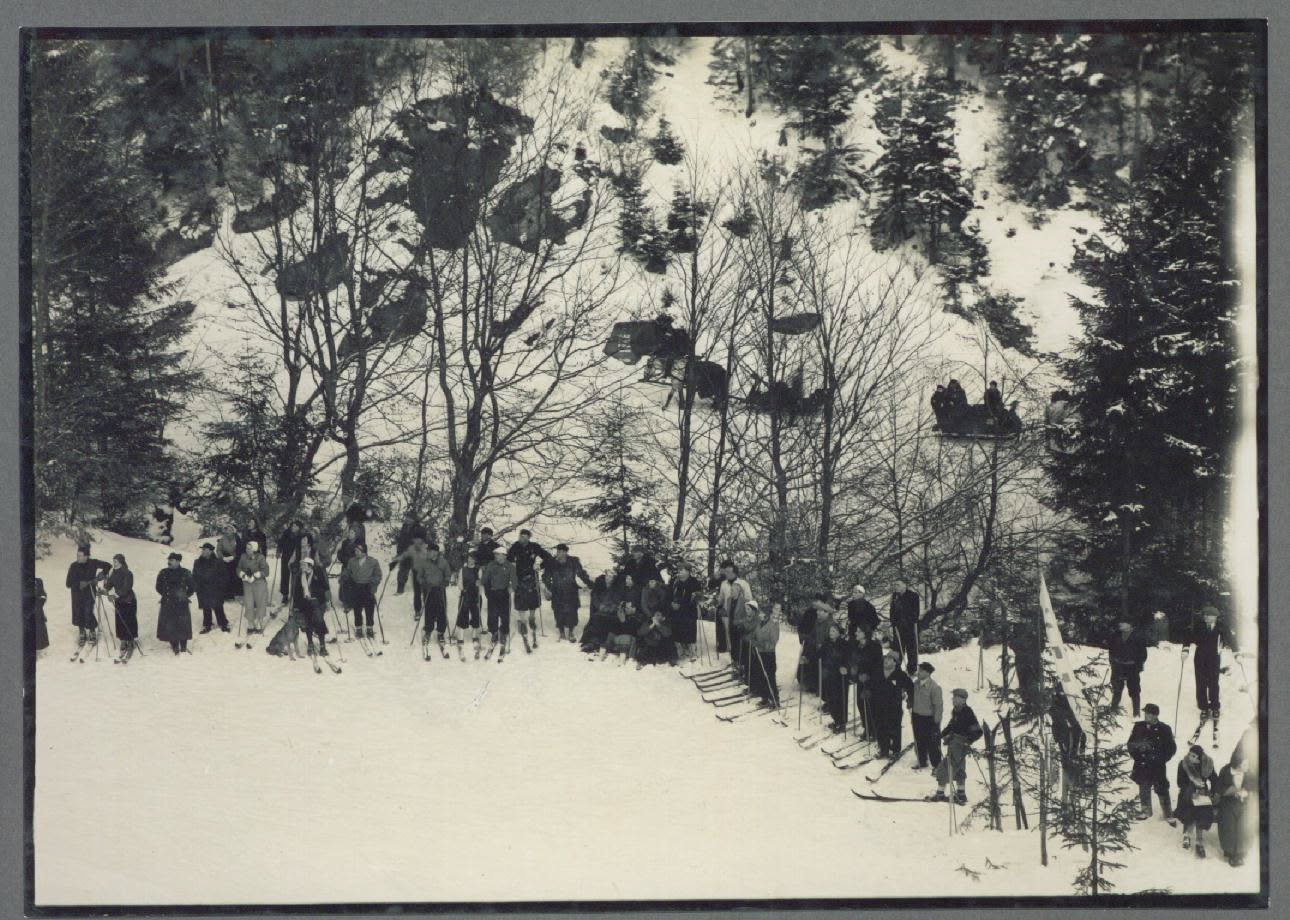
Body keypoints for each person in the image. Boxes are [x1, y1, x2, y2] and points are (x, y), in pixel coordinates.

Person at [391, 537, 452, 652]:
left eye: (431, 551)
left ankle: (440, 633)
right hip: (428, 590)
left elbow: (448, 574)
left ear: (436, 552)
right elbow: (419, 576)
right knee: (429, 611)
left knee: (441, 611)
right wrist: (423, 582)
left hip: (440, 589)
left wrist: (446, 581)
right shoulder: (424, 563)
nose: (429, 553)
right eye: (428, 551)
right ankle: (428, 631)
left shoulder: (443, 562)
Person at [930, 689, 982, 805]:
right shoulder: (957, 711)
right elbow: (951, 726)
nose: (953, 699)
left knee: (946, 766)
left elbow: (978, 731)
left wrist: (968, 741)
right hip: (955, 743)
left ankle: (940, 793)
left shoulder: (967, 713)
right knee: (959, 768)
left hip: (959, 744)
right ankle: (961, 793)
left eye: (955, 697)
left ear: (963, 700)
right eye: (953, 697)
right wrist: (941, 734)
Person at [1128, 703, 1178, 823]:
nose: (1146, 716)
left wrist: (1162, 758)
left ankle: (1168, 813)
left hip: (1157, 766)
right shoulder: (1138, 727)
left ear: (1156, 715)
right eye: (1146, 713)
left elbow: (1171, 748)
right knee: (1143, 787)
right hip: (1142, 764)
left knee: (1162, 788)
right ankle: (1145, 811)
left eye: (1149, 714)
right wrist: (1138, 757)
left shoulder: (1165, 729)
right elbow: (1131, 744)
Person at [508, 529, 553, 647]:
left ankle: (532, 618)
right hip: (519, 577)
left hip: (532, 575)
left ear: (529, 537)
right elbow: (508, 560)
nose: (522, 538)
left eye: (525, 537)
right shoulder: (515, 547)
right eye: (521, 536)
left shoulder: (534, 547)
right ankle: (523, 621)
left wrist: (539, 566)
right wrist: (512, 567)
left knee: (533, 599)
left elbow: (548, 557)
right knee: (520, 600)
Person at [541, 543, 594, 643]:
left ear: (565, 552)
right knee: (558, 611)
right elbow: (546, 577)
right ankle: (561, 632)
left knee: (572, 612)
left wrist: (591, 584)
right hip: (557, 591)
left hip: (571, 591)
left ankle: (571, 632)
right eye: (558, 551)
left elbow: (581, 573)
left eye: (561, 551)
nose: (558, 553)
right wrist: (549, 587)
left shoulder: (573, 561)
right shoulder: (551, 562)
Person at [1186, 606, 1227, 727]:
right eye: (1205, 615)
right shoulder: (1199, 626)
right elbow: (1188, 637)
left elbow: (1231, 639)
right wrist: (1185, 649)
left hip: (1214, 659)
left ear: (1215, 616)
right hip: (1200, 658)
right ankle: (1203, 707)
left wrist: (1237, 654)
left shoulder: (1221, 627)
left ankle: (1215, 707)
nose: (1206, 617)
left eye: (1209, 615)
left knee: (1213, 683)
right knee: (1201, 683)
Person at [1175, 744, 1219, 857]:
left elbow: (1214, 779)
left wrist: (1212, 793)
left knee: (1202, 813)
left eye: (1194, 756)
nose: (1191, 757)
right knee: (1188, 810)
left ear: (1199, 758)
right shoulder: (1184, 764)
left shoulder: (1207, 764)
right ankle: (1186, 835)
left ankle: (1199, 840)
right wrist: (1190, 791)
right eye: (1190, 754)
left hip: (1202, 793)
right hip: (1187, 792)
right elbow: (1180, 782)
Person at [869, 651, 914, 758]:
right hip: (878, 705)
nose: (886, 660)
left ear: (895, 662)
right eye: (885, 658)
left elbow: (911, 687)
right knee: (880, 727)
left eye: (890, 659)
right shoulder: (878, 672)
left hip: (894, 706)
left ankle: (895, 750)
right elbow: (871, 685)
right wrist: (867, 692)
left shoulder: (900, 675)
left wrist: (910, 699)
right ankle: (883, 749)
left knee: (894, 728)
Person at [1216, 747, 1257, 867]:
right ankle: (1230, 851)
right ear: (1238, 764)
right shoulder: (1225, 771)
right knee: (1229, 825)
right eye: (1245, 764)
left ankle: (1241, 852)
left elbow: (1254, 784)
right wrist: (1233, 791)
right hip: (1228, 803)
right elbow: (1219, 788)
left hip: (1245, 802)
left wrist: (1246, 791)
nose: (1247, 766)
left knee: (1244, 825)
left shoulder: (1249, 772)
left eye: (1247, 764)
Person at [65, 545, 110, 649]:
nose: (78, 557)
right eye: (77, 555)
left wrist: (100, 575)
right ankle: (82, 632)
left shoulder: (93, 563)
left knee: (88, 611)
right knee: (78, 612)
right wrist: (79, 583)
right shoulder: (73, 566)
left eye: (80, 556)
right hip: (77, 593)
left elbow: (108, 565)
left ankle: (92, 630)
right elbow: (68, 583)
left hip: (89, 592)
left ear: (86, 556)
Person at [156, 552, 196, 655]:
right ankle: (174, 645)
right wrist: (166, 595)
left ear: (178, 561)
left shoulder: (186, 572)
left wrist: (184, 595)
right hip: (168, 602)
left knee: (183, 624)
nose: (169, 562)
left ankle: (183, 646)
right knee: (170, 624)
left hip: (181, 603)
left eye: (172, 560)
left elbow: (192, 587)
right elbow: (158, 587)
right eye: (169, 560)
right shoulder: (163, 573)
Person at [101, 554, 139, 661]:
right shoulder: (114, 573)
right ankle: (123, 640)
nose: (114, 564)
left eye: (116, 562)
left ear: (121, 562)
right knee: (120, 621)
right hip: (119, 601)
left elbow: (126, 588)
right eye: (113, 561)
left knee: (129, 620)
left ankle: (131, 641)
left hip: (128, 600)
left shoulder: (128, 573)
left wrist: (115, 595)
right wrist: (104, 588)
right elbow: (109, 584)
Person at [291, 556, 331, 657]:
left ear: (310, 566)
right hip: (305, 603)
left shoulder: (318, 574)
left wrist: (325, 599)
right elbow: (296, 592)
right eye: (302, 564)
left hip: (317, 602)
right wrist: (295, 606)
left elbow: (325, 587)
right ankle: (310, 644)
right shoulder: (299, 575)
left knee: (319, 622)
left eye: (304, 564)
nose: (302, 566)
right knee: (307, 623)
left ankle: (322, 646)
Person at [481, 546, 517, 657]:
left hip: (504, 593)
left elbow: (515, 580)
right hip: (492, 593)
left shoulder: (510, 566)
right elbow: (485, 579)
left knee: (504, 615)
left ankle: (504, 634)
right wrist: (481, 580)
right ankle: (494, 633)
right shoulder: (491, 565)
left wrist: (512, 587)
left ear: (504, 556)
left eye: (498, 554)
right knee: (492, 615)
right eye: (495, 554)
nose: (496, 556)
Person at [342, 543, 383, 641]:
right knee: (357, 608)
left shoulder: (373, 561)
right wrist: (344, 576)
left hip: (367, 587)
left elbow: (378, 575)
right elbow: (348, 571)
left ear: (364, 552)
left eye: (358, 551)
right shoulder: (352, 561)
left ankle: (369, 627)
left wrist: (373, 583)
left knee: (369, 608)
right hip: (356, 587)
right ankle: (359, 628)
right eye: (355, 550)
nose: (355, 552)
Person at [716, 560, 753, 666]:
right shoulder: (723, 584)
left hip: (740, 615)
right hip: (728, 614)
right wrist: (718, 605)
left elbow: (749, 599)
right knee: (731, 638)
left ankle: (742, 661)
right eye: (726, 572)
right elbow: (721, 598)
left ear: (735, 573)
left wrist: (748, 614)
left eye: (729, 572)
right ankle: (734, 660)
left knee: (740, 640)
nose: (726, 574)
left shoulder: (743, 583)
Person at [1108, 618, 1148, 716]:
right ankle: (1113, 710)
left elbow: (1143, 654)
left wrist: (1137, 666)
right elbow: (1111, 651)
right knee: (1117, 689)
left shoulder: (1138, 636)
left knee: (1134, 691)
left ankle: (1136, 713)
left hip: (1132, 668)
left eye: (1123, 622)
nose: (1120, 624)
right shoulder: (1116, 635)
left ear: (1129, 624)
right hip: (1118, 667)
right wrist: (1113, 663)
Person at [819, 622, 853, 733]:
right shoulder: (827, 643)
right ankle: (836, 720)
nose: (831, 633)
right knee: (831, 699)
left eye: (833, 631)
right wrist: (807, 658)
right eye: (830, 631)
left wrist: (846, 667)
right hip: (829, 675)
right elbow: (819, 655)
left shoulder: (845, 644)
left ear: (839, 632)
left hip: (840, 676)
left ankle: (842, 723)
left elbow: (849, 659)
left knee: (840, 699)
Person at [852, 624, 884, 738]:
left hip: (872, 682)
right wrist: (854, 671)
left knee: (871, 705)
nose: (856, 633)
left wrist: (869, 676)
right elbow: (854, 662)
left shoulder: (875, 646)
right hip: (861, 680)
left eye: (859, 631)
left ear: (865, 633)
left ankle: (875, 730)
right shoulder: (857, 646)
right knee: (861, 704)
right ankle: (867, 728)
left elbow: (878, 665)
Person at [664, 561, 702, 660]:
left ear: (688, 571)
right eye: (679, 569)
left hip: (688, 611)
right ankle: (679, 650)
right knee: (676, 629)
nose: (679, 571)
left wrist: (682, 605)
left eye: (682, 570)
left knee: (689, 629)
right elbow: (668, 595)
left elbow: (695, 598)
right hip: (675, 611)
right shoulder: (675, 581)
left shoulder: (694, 582)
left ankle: (691, 650)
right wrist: (671, 603)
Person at [910, 662, 943, 771]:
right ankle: (922, 760)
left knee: (932, 742)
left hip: (929, 719)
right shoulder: (916, 684)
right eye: (918, 670)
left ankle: (937, 765)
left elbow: (938, 706)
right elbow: (912, 696)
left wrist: (936, 722)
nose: (918, 672)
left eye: (921, 671)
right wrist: (910, 702)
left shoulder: (934, 687)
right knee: (919, 740)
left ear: (928, 673)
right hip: (916, 716)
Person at [747, 601, 781, 706]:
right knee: (761, 676)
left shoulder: (773, 625)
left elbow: (773, 642)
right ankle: (764, 697)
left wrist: (759, 644)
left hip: (768, 654)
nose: (759, 615)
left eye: (761, 613)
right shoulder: (760, 623)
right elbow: (755, 634)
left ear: (766, 614)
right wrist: (751, 639)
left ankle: (775, 699)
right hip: (759, 653)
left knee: (769, 677)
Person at [193, 543, 230, 634]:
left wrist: (221, 587)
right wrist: (196, 586)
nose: (203, 551)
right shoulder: (197, 562)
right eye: (202, 549)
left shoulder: (218, 562)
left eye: (205, 549)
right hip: (203, 588)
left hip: (215, 588)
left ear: (210, 551)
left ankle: (223, 624)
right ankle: (207, 625)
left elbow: (224, 575)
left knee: (218, 607)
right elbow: (194, 575)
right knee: (206, 607)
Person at [238, 540, 271, 635]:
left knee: (260, 602)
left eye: (249, 548)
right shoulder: (243, 557)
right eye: (246, 548)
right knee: (249, 603)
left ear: (254, 549)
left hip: (259, 583)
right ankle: (250, 623)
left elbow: (266, 571)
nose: (247, 550)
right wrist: (242, 574)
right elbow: (238, 568)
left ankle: (260, 621)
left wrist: (257, 575)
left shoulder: (260, 558)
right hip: (247, 583)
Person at [888, 578, 921, 674]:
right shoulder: (895, 596)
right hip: (898, 627)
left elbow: (916, 611)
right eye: (895, 585)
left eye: (898, 584)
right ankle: (896, 669)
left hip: (910, 626)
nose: (896, 587)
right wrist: (893, 622)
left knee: (911, 648)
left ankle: (912, 669)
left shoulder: (913, 596)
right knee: (897, 649)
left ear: (904, 585)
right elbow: (892, 611)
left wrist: (911, 620)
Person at [455, 553, 483, 657]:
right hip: (465, 595)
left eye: (472, 559)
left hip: (475, 595)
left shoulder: (478, 569)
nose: (470, 560)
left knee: (476, 615)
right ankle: (460, 637)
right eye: (469, 558)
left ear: (475, 560)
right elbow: (460, 582)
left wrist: (479, 586)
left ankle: (475, 636)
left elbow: (481, 582)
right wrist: (462, 589)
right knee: (462, 614)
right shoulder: (463, 569)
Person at [394, 512, 428, 595]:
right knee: (402, 571)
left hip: (415, 554)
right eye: (407, 517)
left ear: (413, 519)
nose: (407, 519)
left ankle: (419, 589)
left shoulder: (418, 528)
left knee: (417, 572)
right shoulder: (404, 527)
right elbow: (401, 540)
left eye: (409, 518)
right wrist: (399, 552)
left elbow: (422, 542)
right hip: (405, 553)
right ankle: (400, 590)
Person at [276, 520, 307, 606]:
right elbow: (280, 543)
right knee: (285, 575)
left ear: (299, 528)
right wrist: (278, 551)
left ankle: (294, 595)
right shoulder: (286, 533)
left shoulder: (301, 536)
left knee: (295, 577)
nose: (293, 527)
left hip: (296, 558)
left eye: (296, 526)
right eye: (292, 526)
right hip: (286, 556)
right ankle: (285, 595)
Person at [216, 527, 242, 602]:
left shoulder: (237, 538)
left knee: (233, 575)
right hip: (224, 558)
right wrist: (223, 557)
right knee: (224, 575)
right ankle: (225, 595)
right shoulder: (222, 539)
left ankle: (232, 594)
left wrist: (233, 557)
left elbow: (239, 549)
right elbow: (218, 550)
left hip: (234, 559)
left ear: (233, 531)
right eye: (227, 530)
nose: (229, 531)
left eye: (230, 530)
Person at [31, 576, 49, 655]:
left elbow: (43, 595)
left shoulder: (38, 581)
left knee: (39, 629)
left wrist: (39, 604)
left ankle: (38, 649)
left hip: (37, 610)